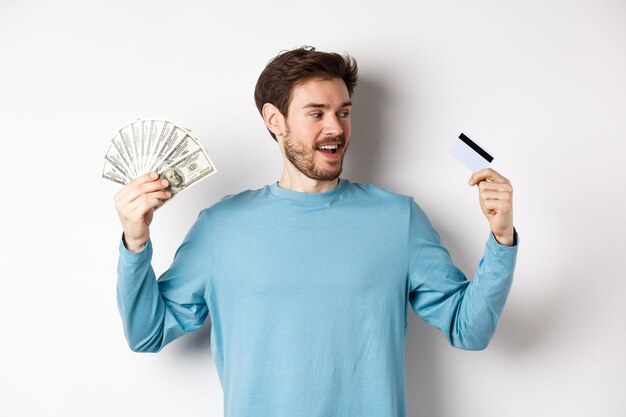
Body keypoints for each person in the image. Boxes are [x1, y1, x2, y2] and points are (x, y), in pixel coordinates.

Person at [114, 46, 518, 417]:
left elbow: (470, 331)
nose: (336, 128)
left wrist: (501, 239)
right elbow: (146, 334)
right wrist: (135, 242)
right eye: (316, 112)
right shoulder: (220, 227)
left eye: (343, 112)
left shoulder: (398, 219)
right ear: (276, 121)